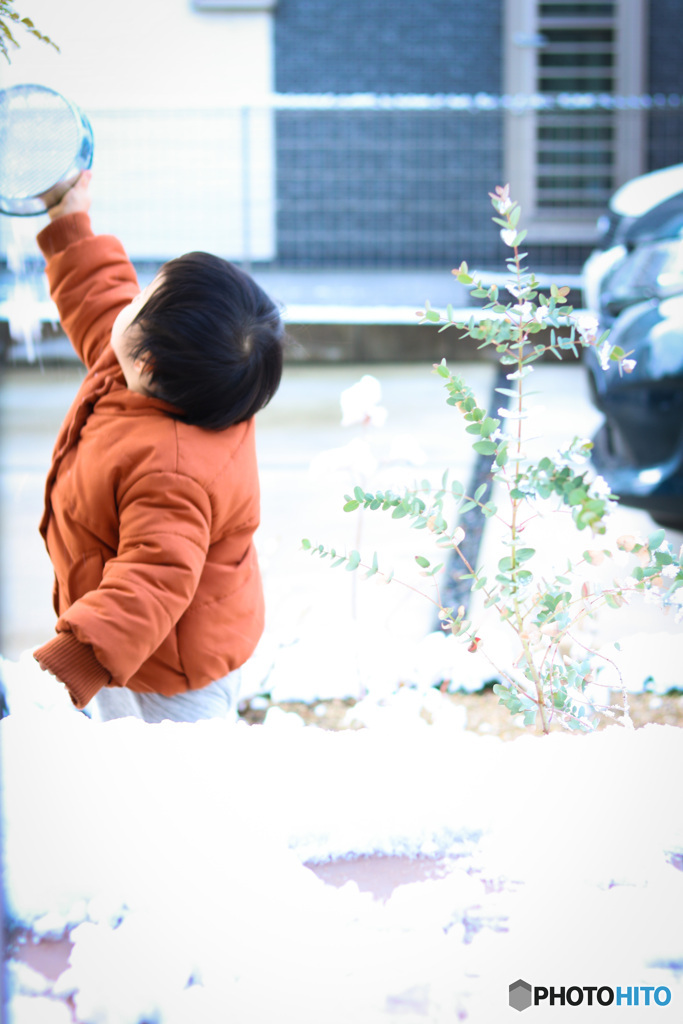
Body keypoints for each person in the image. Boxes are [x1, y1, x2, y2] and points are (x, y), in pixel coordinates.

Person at [32, 171, 285, 723]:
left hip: (170, 674)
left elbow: (153, 582)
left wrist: (71, 662)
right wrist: (68, 220)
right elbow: (100, 300)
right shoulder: (165, 371)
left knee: (174, 782)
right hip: (127, 643)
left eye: (144, 297)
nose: (131, 296)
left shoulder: (173, 471)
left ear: (145, 360)